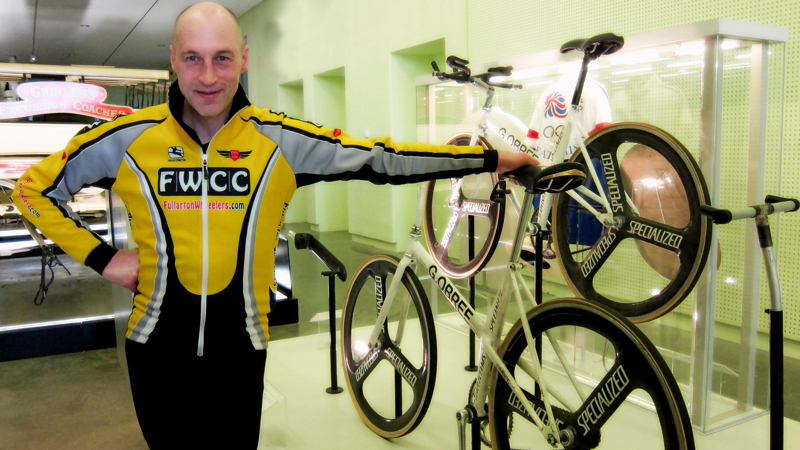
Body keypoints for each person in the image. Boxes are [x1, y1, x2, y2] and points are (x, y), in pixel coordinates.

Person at [12, 2, 536, 448]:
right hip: (155, 352)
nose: (208, 77)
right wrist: (103, 257)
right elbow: (32, 190)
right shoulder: (127, 138)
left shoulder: (279, 140)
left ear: (244, 60)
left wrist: (488, 160)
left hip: (240, 352)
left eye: (222, 59)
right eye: (192, 59)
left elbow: (382, 158)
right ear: (173, 61)